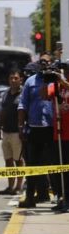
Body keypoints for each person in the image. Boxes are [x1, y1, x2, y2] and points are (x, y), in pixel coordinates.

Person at [18, 55, 61, 208]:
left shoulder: (57, 80)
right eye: (42, 61)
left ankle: (59, 197)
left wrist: (55, 78)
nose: (44, 64)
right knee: (32, 165)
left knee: (55, 164)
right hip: (34, 129)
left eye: (47, 61)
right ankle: (30, 197)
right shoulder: (30, 82)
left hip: (52, 129)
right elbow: (22, 105)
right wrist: (21, 126)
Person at [0, 70, 25, 195]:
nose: (13, 80)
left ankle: (18, 186)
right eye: (11, 78)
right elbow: (2, 112)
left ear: (20, 80)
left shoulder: (23, 93)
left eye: (16, 78)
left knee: (18, 160)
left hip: (17, 132)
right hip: (6, 131)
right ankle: (10, 186)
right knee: (8, 160)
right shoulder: (5, 94)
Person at [46, 67, 69, 212]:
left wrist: (63, 80)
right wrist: (47, 80)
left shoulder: (64, 83)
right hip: (59, 133)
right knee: (60, 168)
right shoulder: (58, 85)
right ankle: (62, 197)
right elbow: (45, 94)